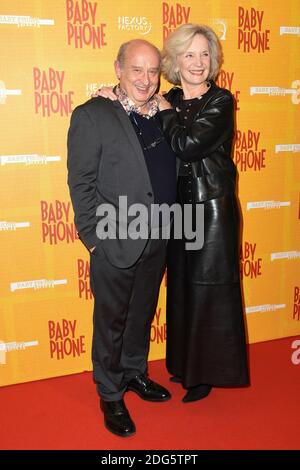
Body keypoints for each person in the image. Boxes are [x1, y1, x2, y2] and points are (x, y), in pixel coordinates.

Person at [67, 39, 177, 437]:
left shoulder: (165, 113)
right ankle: (110, 392)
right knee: (111, 320)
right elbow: (81, 183)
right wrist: (94, 239)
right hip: (114, 239)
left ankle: (134, 373)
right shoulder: (93, 114)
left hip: (160, 236)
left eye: (152, 71)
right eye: (136, 70)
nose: (145, 80)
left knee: (141, 315)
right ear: (118, 69)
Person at [157, 23, 249, 402]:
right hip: (178, 209)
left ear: (213, 61)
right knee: (181, 287)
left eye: (204, 54)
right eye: (189, 54)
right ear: (176, 61)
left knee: (209, 290)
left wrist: (163, 113)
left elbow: (189, 145)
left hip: (212, 207)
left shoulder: (221, 100)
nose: (197, 62)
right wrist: (110, 95)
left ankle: (206, 374)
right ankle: (184, 366)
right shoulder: (170, 97)